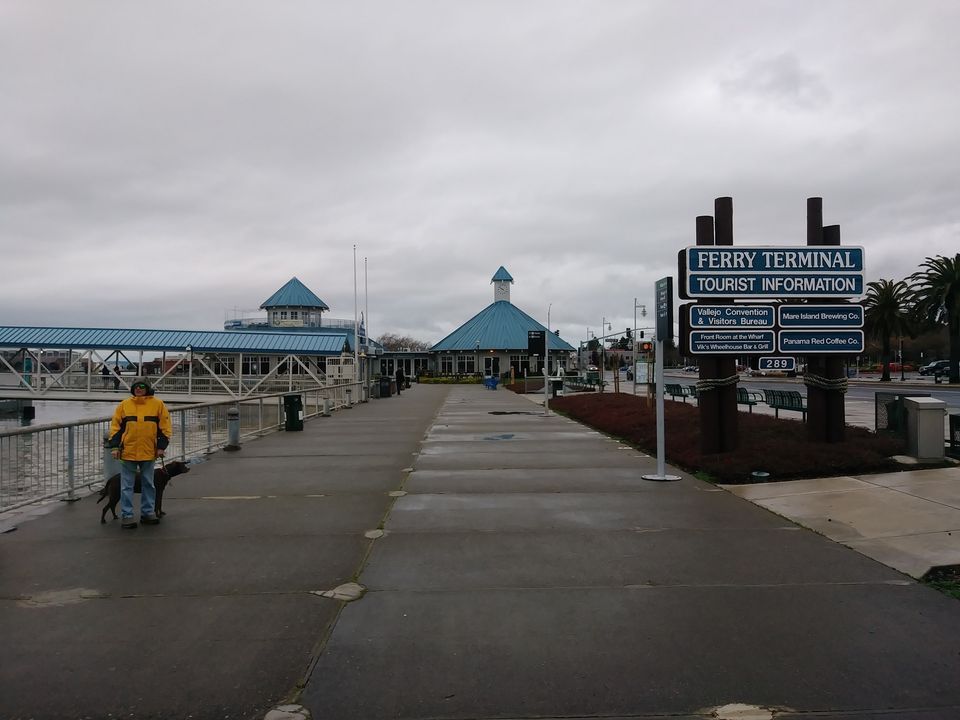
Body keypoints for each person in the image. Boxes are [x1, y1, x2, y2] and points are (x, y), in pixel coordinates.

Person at [106, 378, 172, 529]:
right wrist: (115, 447)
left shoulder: (158, 405)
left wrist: (161, 446)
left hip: (149, 452)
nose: (138, 389)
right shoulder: (124, 405)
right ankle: (127, 515)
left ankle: (148, 513)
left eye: (142, 386)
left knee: (148, 484)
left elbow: (165, 428)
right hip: (128, 452)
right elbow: (116, 428)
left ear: (147, 388)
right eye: (135, 386)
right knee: (126, 486)